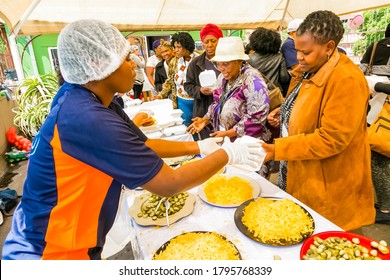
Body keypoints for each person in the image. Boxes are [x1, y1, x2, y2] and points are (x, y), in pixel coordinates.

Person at [1, 19, 265, 260]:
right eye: (127, 58)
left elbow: (143, 145)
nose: (135, 65)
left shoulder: (91, 99)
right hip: (48, 252)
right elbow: (169, 184)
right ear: (98, 65)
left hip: (71, 240)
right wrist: (228, 154)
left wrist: (197, 146)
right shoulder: (86, 117)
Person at [262, 10, 375, 231]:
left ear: (329, 48)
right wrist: (285, 112)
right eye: (297, 51)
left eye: (306, 52)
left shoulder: (347, 79)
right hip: (301, 172)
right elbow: (306, 105)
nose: (299, 57)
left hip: (329, 186)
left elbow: (331, 138)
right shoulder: (310, 69)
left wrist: (277, 150)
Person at [187, 36, 273, 178]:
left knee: (249, 184)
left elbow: (257, 117)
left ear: (239, 61)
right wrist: (205, 120)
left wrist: (228, 133)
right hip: (230, 142)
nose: (221, 69)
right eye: (218, 64)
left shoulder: (252, 79)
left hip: (248, 145)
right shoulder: (223, 77)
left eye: (226, 64)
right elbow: (217, 103)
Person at [184, 23, 223, 140]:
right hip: (204, 107)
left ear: (219, 42)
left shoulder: (226, 61)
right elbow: (188, 86)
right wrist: (200, 90)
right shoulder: (195, 63)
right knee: (208, 140)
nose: (210, 45)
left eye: (213, 41)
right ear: (202, 43)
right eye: (206, 42)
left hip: (223, 107)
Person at [156, 32, 198, 127]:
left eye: (178, 47)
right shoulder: (174, 61)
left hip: (197, 102)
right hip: (181, 101)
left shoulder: (198, 60)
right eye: (174, 47)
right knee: (185, 127)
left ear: (187, 46)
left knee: (199, 128)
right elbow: (170, 81)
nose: (175, 50)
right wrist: (161, 95)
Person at [248, 27, 290, 97]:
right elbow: (284, 78)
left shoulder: (248, 59)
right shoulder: (279, 57)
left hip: (255, 93)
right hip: (274, 94)